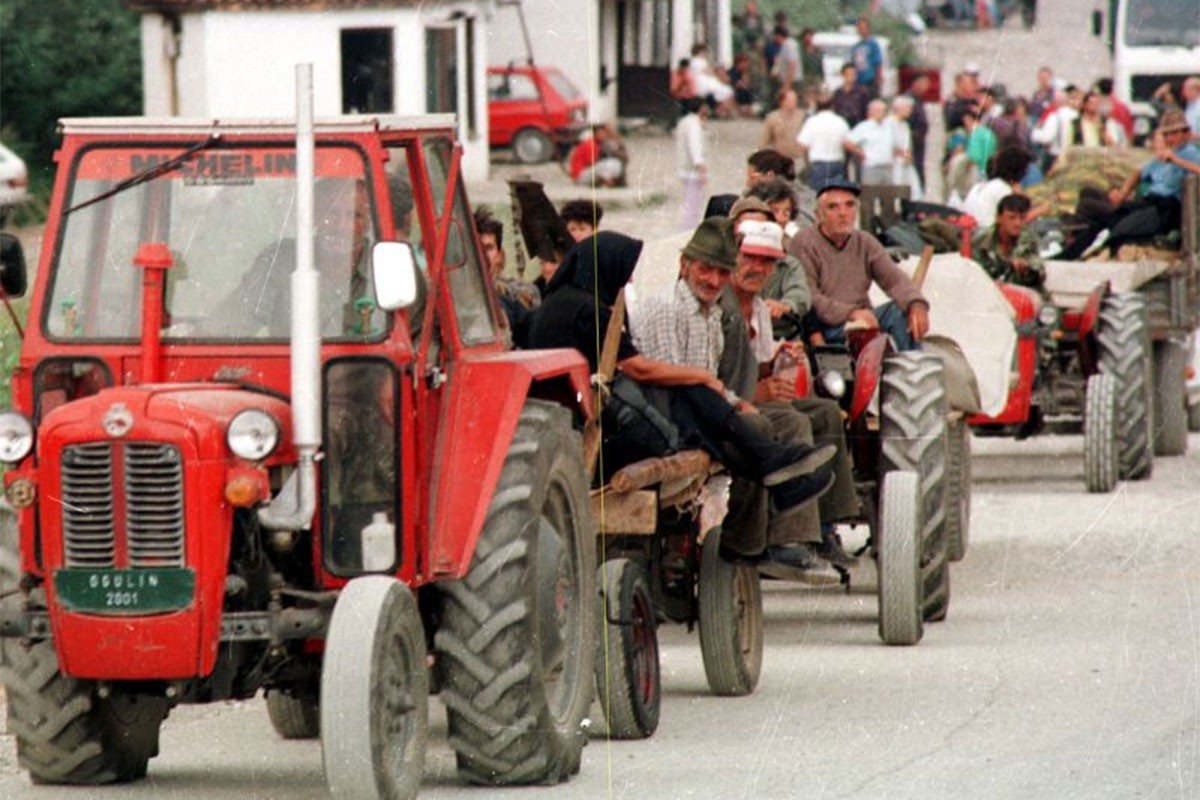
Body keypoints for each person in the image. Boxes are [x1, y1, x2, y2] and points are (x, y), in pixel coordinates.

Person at [528, 227, 837, 519]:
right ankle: (774, 465)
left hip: (583, 422)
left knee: (697, 403)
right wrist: (702, 378)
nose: (628, 281)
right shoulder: (585, 309)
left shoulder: (561, 303)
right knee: (692, 392)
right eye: (625, 271)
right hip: (599, 430)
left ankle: (778, 473)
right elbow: (638, 367)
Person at [623, 220, 837, 564]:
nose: (713, 280)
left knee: (760, 420)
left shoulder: (711, 314)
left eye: (722, 273)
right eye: (705, 269)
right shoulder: (667, 308)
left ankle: (772, 503)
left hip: (698, 410)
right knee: (758, 428)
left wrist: (738, 403)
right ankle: (745, 537)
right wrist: (732, 402)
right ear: (685, 265)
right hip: (664, 416)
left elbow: (708, 380)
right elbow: (672, 380)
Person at [719, 218, 860, 566]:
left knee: (825, 412)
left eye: (766, 262)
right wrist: (759, 390)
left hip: (749, 395)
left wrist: (778, 361)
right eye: (749, 258)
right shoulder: (722, 306)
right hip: (728, 405)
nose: (757, 268)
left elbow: (758, 365)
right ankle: (788, 537)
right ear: (733, 256)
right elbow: (714, 378)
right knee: (794, 421)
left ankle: (826, 525)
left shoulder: (760, 310)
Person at [789, 178, 930, 351]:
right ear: (818, 215)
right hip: (825, 328)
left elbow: (894, 279)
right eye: (833, 207)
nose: (843, 213)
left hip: (864, 321)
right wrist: (851, 313)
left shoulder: (865, 241)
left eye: (849, 205)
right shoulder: (804, 242)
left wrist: (915, 303)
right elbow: (809, 297)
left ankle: (909, 366)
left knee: (901, 311)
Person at [1079, 110, 1200, 257]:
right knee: (1094, 207)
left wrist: (1176, 160)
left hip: (1166, 208)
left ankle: (1108, 233)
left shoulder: (1189, 153)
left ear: (1185, 133)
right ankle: (1070, 253)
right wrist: (1123, 193)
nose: (1169, 138)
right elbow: (1139, 172)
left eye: (1173, 133)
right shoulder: (1165, 155)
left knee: (1119, 228)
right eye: (1166, 134)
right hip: (1148, 202)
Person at [972, 194, 1045, 288]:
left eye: (1022, 218)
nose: (1017, 223)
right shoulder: (981, 241)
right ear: (999, 218)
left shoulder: (1027, 238)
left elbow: (1039, 271)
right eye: (1012, 217)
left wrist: (1026, 268)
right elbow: (974, 275)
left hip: (1022, 293)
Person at [961, 145, 1044, 228]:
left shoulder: (981, 186)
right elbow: (1018, 221)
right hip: (986, 235)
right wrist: (1043, 209)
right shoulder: (1003, 190)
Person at [797, 92, 851, 190]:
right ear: (832, 107)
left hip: (818, 164)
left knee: (819, 195)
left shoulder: (812, 122)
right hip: (837, 163)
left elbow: (803, 144)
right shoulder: (840, 121)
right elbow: (848, 143)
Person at [676, 97, 709, 232]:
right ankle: (688, 230)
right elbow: (695, 147)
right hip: (692, 170)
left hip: (684, 168)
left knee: (688, 201)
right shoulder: (694, 125)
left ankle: (686, 228)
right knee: (693, 204)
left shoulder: (684, 122)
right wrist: (700, 166)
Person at [845, 98, 895, 186]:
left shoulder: (888, 127)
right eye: (880, 111)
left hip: (887, 167)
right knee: (869, 196)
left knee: (888, 196)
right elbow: (847, 142)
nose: (883, 113)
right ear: (871, 112)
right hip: (871, 167)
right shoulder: (864, 127)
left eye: (883, 111)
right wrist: (860, 153)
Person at [567, 123, 627, 187]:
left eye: (604, 133)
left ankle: (607, 181)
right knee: (608, 164)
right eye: (600, 133)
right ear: (595, 134)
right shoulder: (590, 144)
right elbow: (591, 163)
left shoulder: (599, 143)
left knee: (615, 163)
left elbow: (622, 153)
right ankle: (608, 182)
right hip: (580, 175)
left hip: (586, 173)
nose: (603, 135)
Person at [759, 87, 806, 163]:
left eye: (795, 99)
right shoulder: (772, 118)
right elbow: (764, 140)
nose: (794, 102)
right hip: (780, 159)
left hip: (799, 159)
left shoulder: (803, 116)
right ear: (782, 101)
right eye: (790, 100)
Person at [905, 73, 931, 193]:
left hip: (919, 143)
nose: (927, 87)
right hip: (911, 143)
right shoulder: (908, 99)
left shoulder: (918, 99)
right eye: (924, 83)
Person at [850, 16, 883, 97]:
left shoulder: (873, 44)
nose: (861, 30)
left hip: (870, 81)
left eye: (863, 28)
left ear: (868, 29)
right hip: (858, 82)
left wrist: (877, 81)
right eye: (859, 28)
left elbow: (878, 63)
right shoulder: (856, 47)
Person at [831, 63, 871, 127]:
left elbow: (867, 110)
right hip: (842, 126)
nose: (851, 77)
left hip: (859, 126)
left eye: (853, 74)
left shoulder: (862, 92)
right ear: (843, 75)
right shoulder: (837, 93)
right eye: (848, 74)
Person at [769, 25, 801, 100]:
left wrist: (787, 86)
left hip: (792, 83)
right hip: (786, 81)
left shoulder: (790, 45)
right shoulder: (783, 46)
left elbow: (792, 65)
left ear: (779, 35)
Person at [799, 28, 824, 94]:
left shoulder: (818, 51)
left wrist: (822, 79)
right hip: (805, 80)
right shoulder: (800, 52)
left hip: (816, 80)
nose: (808, 38)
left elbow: (821, 66)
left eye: (810, 36)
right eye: (806, 36)